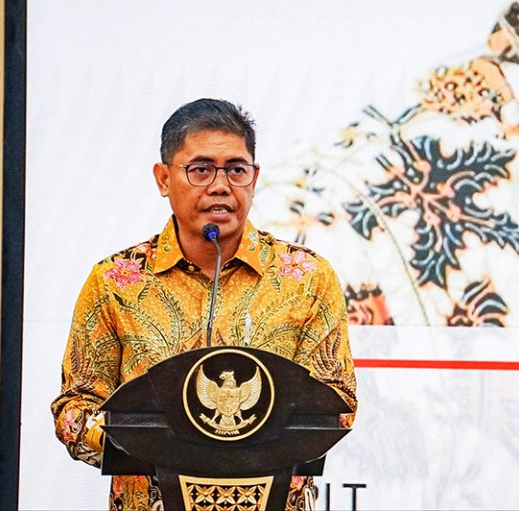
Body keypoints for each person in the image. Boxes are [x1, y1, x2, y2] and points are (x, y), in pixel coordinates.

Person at [51, 98, 357, 511]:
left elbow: (337, 404)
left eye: (236, 169)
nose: (220, 186)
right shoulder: (115, 282)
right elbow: (74, 409)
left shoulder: (306, 278)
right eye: (200, 169)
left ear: (254, 178)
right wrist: (147, 444)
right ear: (163, 178)